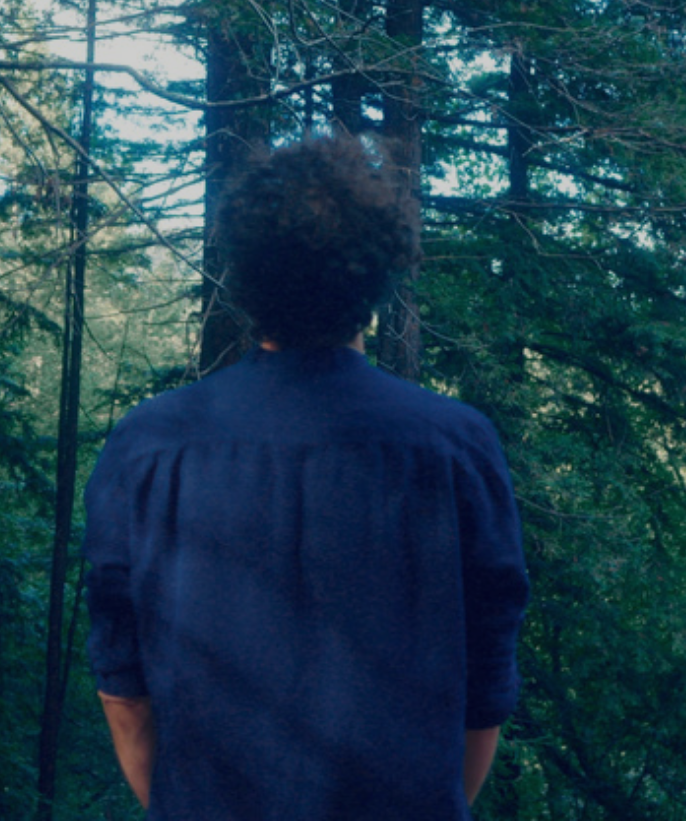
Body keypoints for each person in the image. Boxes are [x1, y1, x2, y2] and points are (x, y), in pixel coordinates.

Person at [83, 134, 530, 819]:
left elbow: (123, 687)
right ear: (377, 273)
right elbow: (485, 692)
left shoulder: (150, 446)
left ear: (247, 273)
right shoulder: (455, 447)